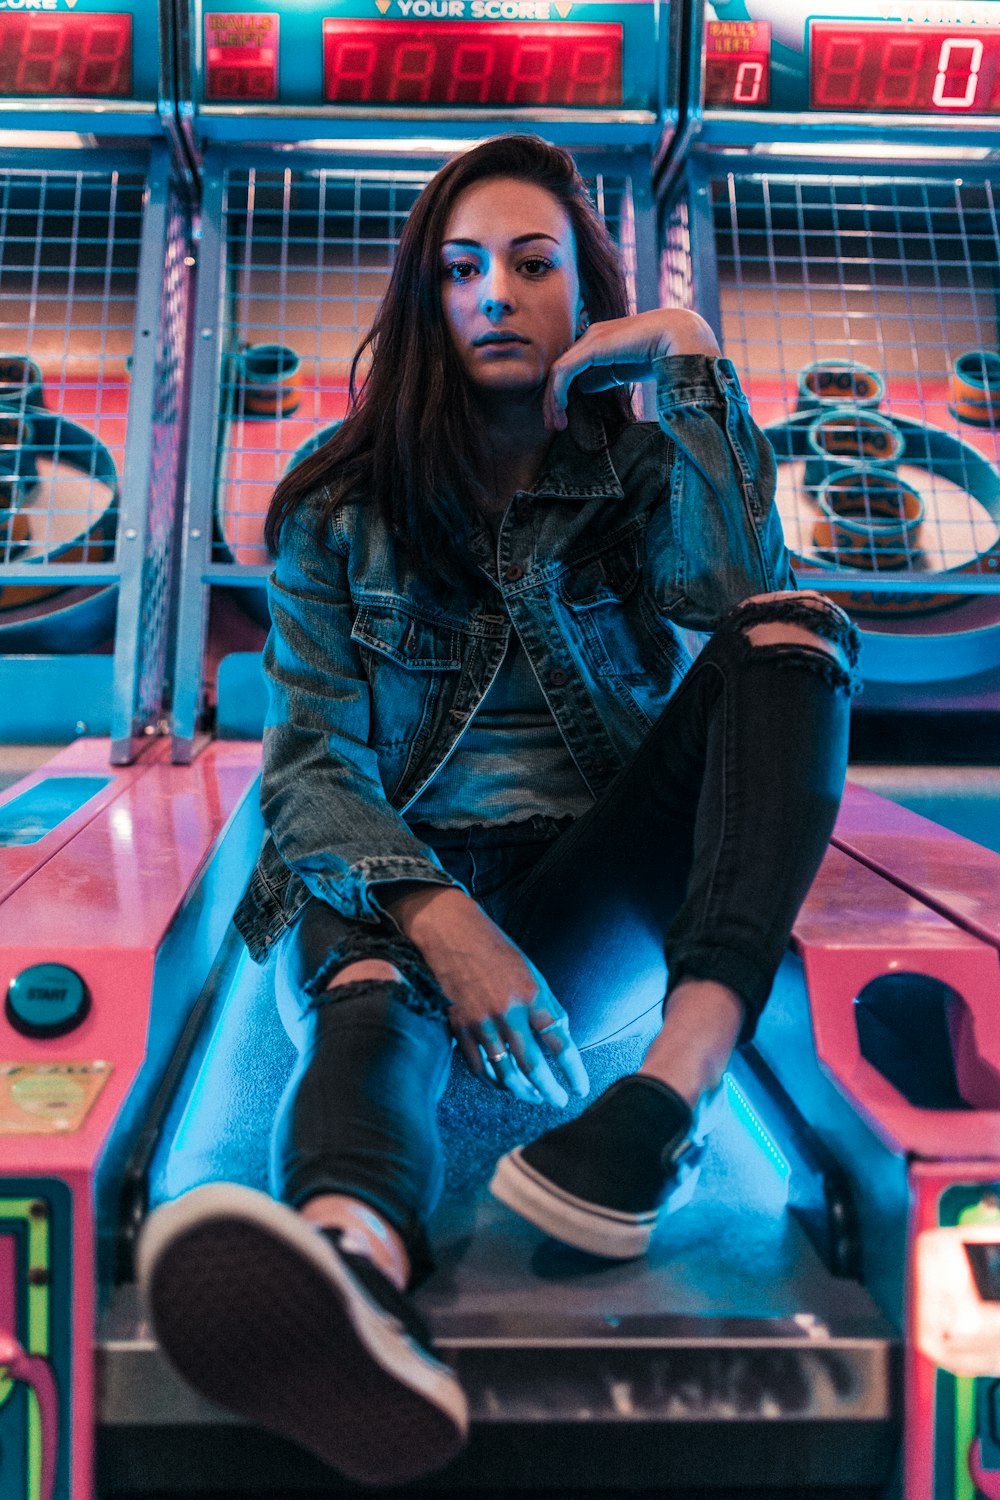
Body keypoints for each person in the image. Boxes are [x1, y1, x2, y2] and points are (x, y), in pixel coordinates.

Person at [138, 134, 860, 1487]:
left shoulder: (643, 481)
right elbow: (306, 770)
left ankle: (656, 1111)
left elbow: (741, 595)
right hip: (390, 887)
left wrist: (691, 358)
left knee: (794, 633)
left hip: (586, 895)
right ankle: (350, 1273)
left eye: (533, 265)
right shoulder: (335, 506)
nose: (496, 295)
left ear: (582, 292)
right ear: (428, 302)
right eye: (462, 270)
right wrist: (437, 912)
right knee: (370, 984)